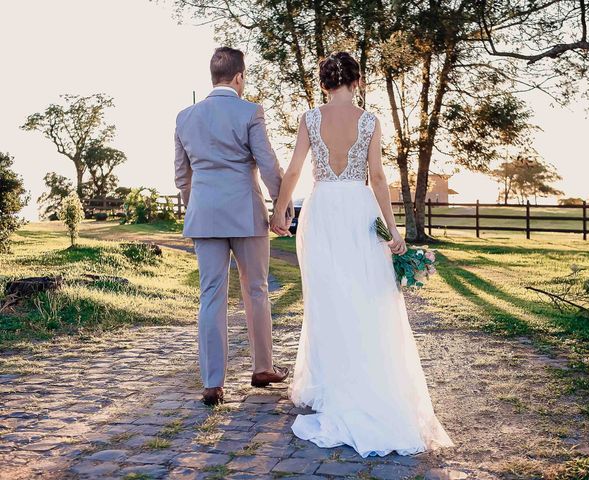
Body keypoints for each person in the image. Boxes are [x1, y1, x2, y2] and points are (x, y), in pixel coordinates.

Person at [270, 51, 454, 457]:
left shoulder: (309, 118)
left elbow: (295, 170)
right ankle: (365, 381)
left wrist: (280, 209)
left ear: (323, 84)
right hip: (358, 209)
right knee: (367, 296)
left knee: (326, 298)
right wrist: (393, 231)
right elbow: (377, 176)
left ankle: (334, 384)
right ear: (356, 82)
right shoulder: (369, 121)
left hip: (321, 212)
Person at [174, 47, 294, 406]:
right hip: (246, 213)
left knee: (211, 294)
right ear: (239, 77)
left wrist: (198, 202)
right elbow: (269, 164)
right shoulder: (250, 112)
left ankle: (213, 383)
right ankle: (262, 368)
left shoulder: (185, 117)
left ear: (213, 77)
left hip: (204, 215)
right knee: (255, 289)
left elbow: (182, 176)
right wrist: (281, 209)